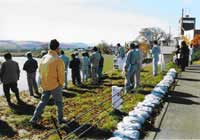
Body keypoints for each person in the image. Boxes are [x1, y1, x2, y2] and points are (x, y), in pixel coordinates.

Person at [30, 39, 67, 125]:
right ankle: (60, 119)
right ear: (57, 48)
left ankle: (34, 119)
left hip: (45, 83)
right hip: (55, 85)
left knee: (42, 102)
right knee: (59, 103)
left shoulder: (44, 57)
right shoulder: (58, 59)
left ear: (49, 47)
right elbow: (61, 75)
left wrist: (42, 83)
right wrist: (61, 84)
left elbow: (40, 71)